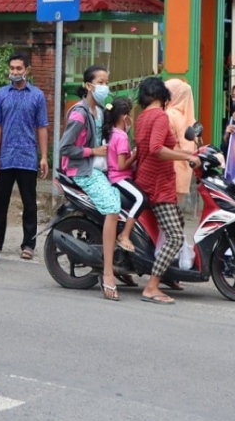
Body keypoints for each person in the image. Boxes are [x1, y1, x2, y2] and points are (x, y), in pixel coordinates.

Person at [133, 77, 200, 305]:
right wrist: (187, 156)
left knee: (177, 224)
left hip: (147, 179)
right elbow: (156, 149)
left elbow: (155, 145)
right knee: (174, 236)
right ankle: (152, 287)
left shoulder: (143, 117)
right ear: (164, 95)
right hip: (158, 184)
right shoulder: (161, 116)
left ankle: (168, 275)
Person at [59, 65, 121, 301]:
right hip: (81, 170)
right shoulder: (78, 114)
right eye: (101, 82)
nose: (105, 87)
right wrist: (92, 150)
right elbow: (64, 148)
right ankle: (108, 273)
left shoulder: (100, 112)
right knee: (113, 210)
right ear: (88, 86)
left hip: (97, 168)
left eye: (107, 82)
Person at [0, 52, 49, 260]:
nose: (14, 72)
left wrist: (43, 157)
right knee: (0, 204)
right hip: (5, 158)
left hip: (27, 157)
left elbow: (41, 127)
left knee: (29, 203)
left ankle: (28, 245)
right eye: (12, 68)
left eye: (18, 68)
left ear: (27, 70)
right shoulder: (1, 94)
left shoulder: (37, 96)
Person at [102, 97, 141, 252]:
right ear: (125, 117)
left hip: (114, 176)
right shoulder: (122, 137)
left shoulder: (111, 133)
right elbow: (121, 164)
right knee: (141, 198)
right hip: (119, 177)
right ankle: (125, 234)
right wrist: (135, 155)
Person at [164, 79, 197, 205]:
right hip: (184, 168)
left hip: (170, 167)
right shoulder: (190, 118)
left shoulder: (168, 115)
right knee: (174, 207)